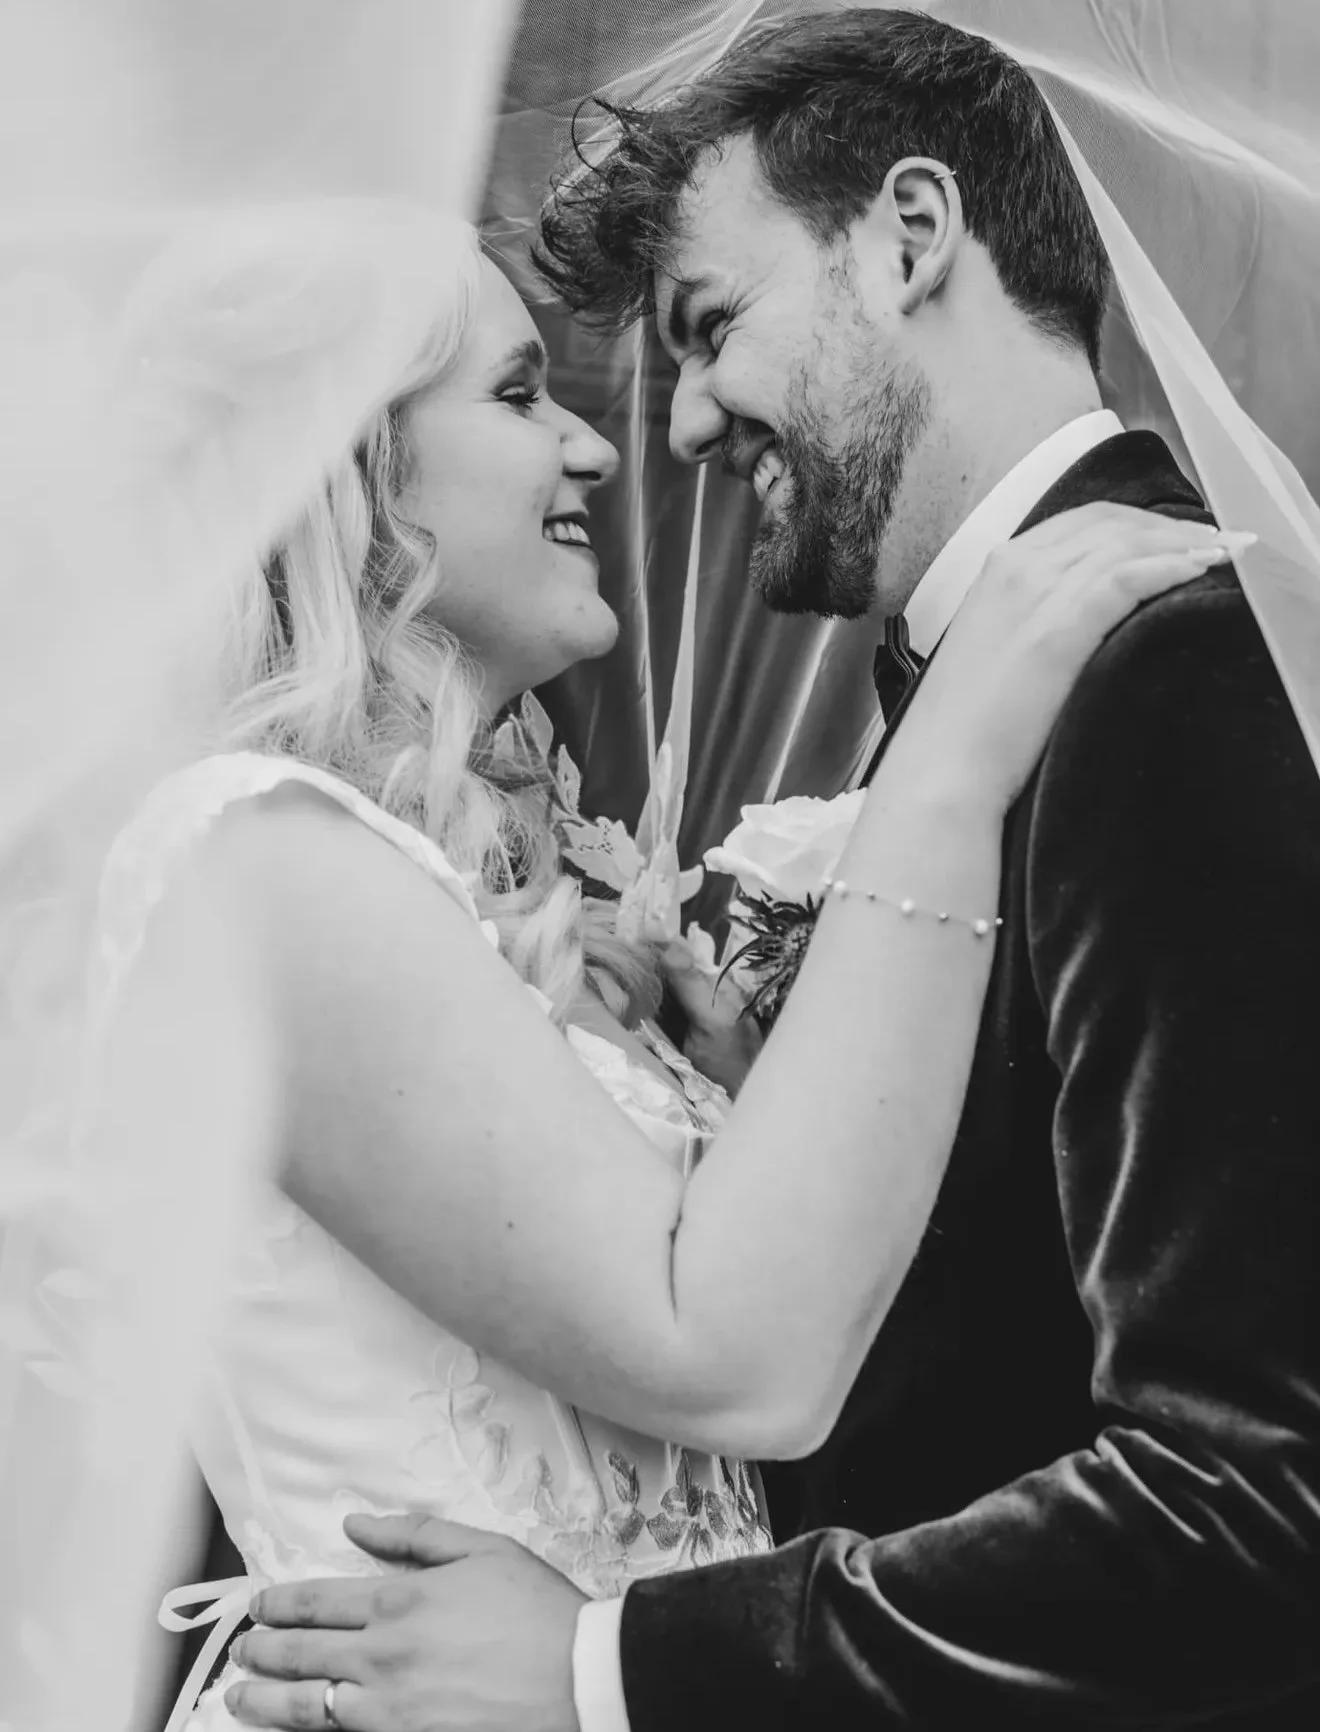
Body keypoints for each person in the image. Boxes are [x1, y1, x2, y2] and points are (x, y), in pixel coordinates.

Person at [232, 11, 1320, 1732]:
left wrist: (617, 1664)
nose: (671, 431)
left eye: (711, 325)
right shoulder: (1005, 692)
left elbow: (1260, 1497)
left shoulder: (1159, 664)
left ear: (910, 237)